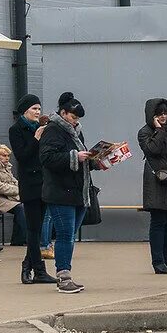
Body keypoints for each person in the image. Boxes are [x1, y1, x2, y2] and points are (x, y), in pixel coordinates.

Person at [40, 94, 107, 293]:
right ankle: (63, 276)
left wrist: (97, 161)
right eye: (74, 117)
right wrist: (75, 156)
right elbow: (47, 157)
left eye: (78, 118)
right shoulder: (53, 129)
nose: (76, 121)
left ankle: (65, 274)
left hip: (76, 192)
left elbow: (81, 160)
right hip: (61, 192)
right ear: (63, 113)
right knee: (65, 235)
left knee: (68, 235)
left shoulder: (74, 131)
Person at [9, 94, 56, 285]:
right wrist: (36, 139)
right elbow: (22, 156)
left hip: (43, 182)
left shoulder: (40, 127)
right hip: (29, 184)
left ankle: (29, 267)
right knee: (33, 228)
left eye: (39, 108)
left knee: (36, 228)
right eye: (34, 109)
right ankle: (38, 270)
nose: (37, 112)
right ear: (25, 111)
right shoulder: (16, 130)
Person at [139, 98, 167, 275]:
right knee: (159, 223)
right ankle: (158, 262)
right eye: (159, 113)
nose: (163, 116)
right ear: (152, 115)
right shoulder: (144, 132)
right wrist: (159, 130)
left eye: (165, 113)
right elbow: (153, 150)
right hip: (157, 183)